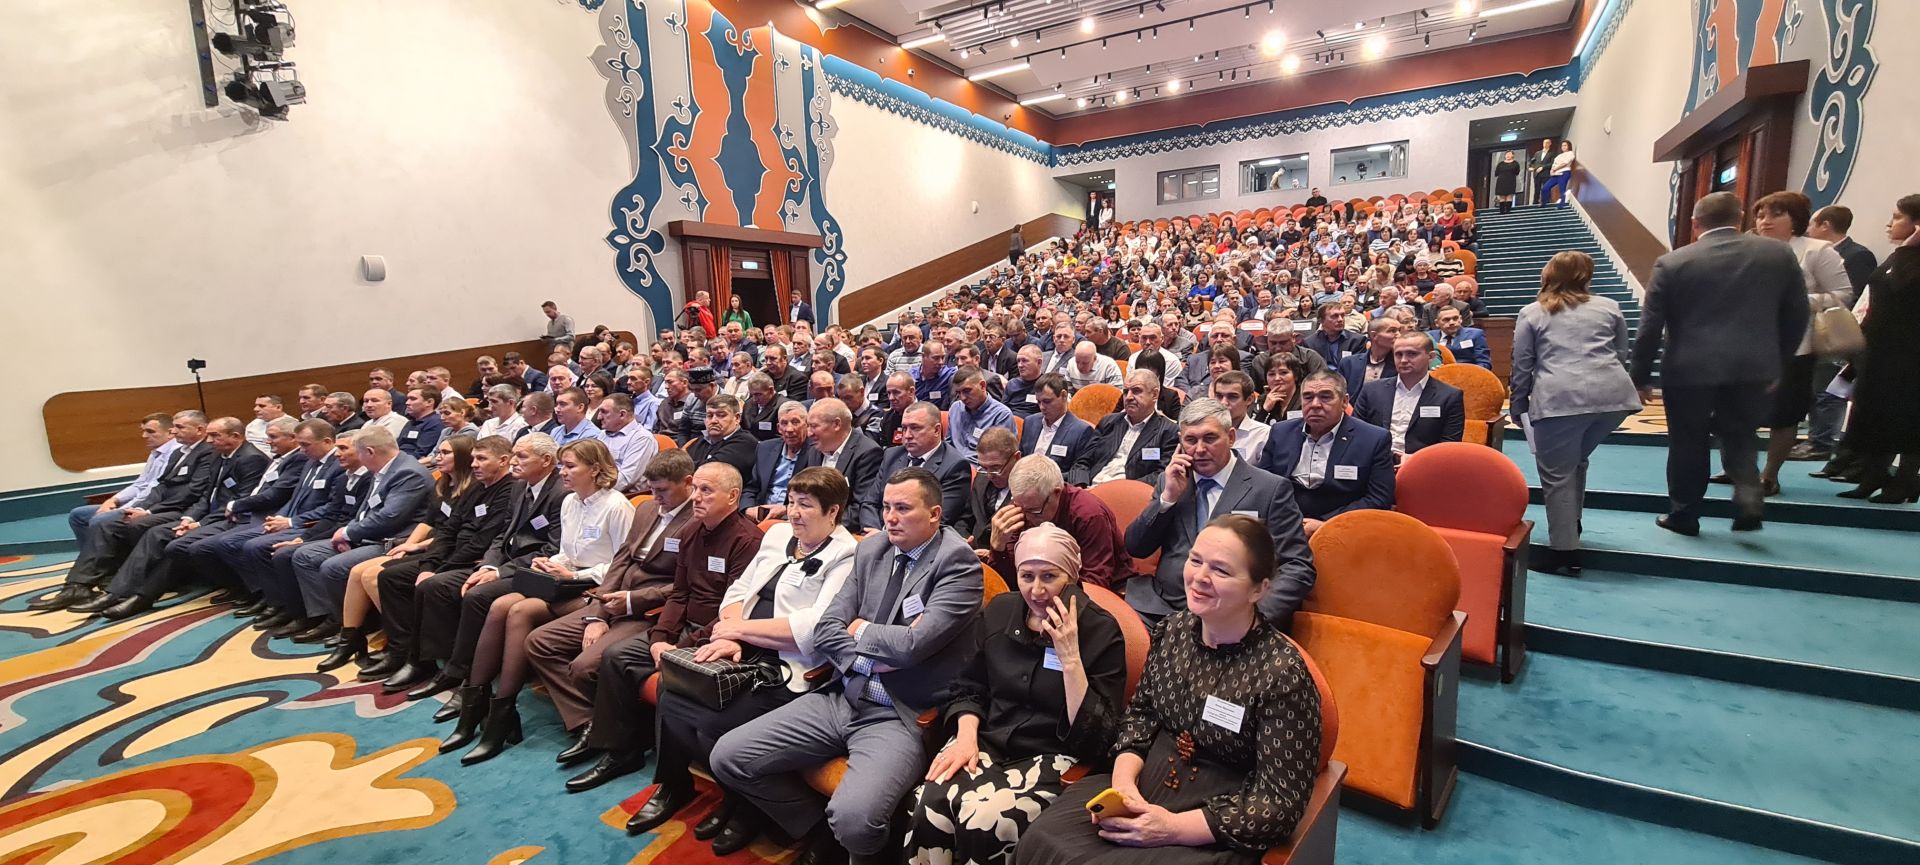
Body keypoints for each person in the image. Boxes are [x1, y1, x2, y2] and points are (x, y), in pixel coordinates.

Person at [709, 468, 984, 865]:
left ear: (935, 514)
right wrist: (866, 654)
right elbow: (825, 629)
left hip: (900, 712)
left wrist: (861, 629)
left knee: (855, 819)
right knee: (728, 757)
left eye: (903, 509)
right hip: (843, 692)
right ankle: (818, 831)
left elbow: (912, 647)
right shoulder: (872, 550)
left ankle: (853, 844)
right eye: (887, 506)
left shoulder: (957, 565)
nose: (890, 517)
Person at [1014, 515, 1322, 865]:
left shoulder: (1283, 676)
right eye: (1195, 561)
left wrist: (1172, 828)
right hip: (1146, 778)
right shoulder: (1172, 631)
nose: (1200, 578)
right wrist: (1123, 786)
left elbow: (1278, 803)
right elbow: (1140, 717)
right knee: (1039, 841)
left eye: (1220, 571)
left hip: (1217, 815)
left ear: (1259, 589)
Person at [625, 467, 859, 841]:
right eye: (791, 502)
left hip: (789, 666)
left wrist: (740, 631)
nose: (794, 513)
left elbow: (814, 628)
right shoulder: (779, 534)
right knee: (673, 688)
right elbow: (738, 591)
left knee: (714, 722)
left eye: (806, 506)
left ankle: (745, 806)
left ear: (832, 512)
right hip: (742, 648)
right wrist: (734, 634)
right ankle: (678, 785)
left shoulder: (847, 555)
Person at [904, 523, 1128, 865]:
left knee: (986, 821)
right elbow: (968, 686)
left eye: (1049, 577)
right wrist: (965, 738)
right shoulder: (1000, 611)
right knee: (928, 803)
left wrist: (1070, 659)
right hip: (988, 741)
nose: (1036, 590)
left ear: (1070, 575)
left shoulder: (1100, 629)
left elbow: (1099, 737)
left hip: (1053, 755)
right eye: (1026, 576)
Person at [566, 463, 762, 790]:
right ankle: (621, 751)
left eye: (706, 491)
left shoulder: (748, 541)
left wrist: (679, 647)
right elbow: (680, 593)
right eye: (695, 488)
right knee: (616, 656)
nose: (695, 497)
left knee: (669, 674)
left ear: (733, 497)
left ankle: (673, 783)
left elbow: (734, 610)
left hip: (717, 635)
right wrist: (660, 638)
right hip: (684, 627)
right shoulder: (691, 531)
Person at [445, 438, 637, 764]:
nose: (563, 472)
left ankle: (501, 712)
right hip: (564, 581)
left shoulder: (616, 506)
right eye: (562, 465)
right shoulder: (571, 502)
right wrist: (550, 564)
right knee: (499, 606)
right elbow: (566, 551)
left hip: (594, 589)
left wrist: (572, 574)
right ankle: (477, 703)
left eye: (571, 466)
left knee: (519, 610)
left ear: (595, 469)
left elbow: (623, 566)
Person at [1630, 192, 1809, 534]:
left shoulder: (1674, 262)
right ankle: (1748, 499)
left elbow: (1650, 325)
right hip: (1754, 366)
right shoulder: (1776, 254)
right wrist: (1780, 361)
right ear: (1740, 218)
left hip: (1688, 369)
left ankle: (1684, 515)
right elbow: (1797, 315)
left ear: (1696, 223)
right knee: (1741, 433)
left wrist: (1639, 377)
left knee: (1687, 441)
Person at [527, 449, 698, 771]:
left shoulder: (697, 519)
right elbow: (621, 561)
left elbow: (683, 585)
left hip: (649, 608)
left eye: (663, 490)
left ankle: (617, 736)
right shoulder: (646, 508)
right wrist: (598, 613)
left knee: (584, 666)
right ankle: (588, 723)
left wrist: (632, 600)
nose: (656, 496)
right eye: (653, 489)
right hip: (614, 599)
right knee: (540, 642)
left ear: (687, 483)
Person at [386, 433, 565, 696]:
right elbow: (503, 534)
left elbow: (552, 549)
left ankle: (461, 672)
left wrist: (499, 571)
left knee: (477, 596)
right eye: (514, 454)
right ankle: (423, 660)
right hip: (502, 561)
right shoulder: (520, 486)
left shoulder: (560, 494)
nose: (514, 461)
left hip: (534, 568)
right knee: (433, 585)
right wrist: (489, 566)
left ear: (547, 460)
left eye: (521, 456)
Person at [1121, 398, 1314, 628]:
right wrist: (1167, 499)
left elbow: (1297, 566)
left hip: (1231, 617)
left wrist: (1254, 617)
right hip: (1163, 609)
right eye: (1190, 440)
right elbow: (1137, 547)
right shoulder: (1171, 481)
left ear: (1231, 437)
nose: (1200, 449)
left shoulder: (1270, 489)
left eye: (1210, 438)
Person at [334, 435, 515, 675]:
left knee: (426, 583)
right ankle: (402, 649)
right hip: (449, 552)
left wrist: (435, 568)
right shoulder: (475, 487)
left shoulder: (508, 490)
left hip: (472, 559)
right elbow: (448, 530)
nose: (474, 465)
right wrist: (429, 563)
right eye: (473, 459)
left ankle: (423, 658)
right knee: (390, 577)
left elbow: (483, 541)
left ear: (503, 461)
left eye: (481, 459)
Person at [1511, 251, 1643, 574]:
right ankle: (1573, 524)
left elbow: (1522, 364)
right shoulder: (1609, 307)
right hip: (1613, 398)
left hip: (1560, 400)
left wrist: (1518, 404)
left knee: (1556, 475)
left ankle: (1564, 555)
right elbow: (1622, 352)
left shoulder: (1532, 312)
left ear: (1547, 275)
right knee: (1575, 463)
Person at [284, 425, 434, 642]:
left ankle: (357, 624)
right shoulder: (383, 468)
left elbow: (389, 517)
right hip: (368, 534)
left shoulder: (408, 473)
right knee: (304, 555)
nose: (341, 456)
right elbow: (364, 510)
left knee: (333, 567)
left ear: (370, 452)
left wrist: (348, 533)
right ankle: (333, 618)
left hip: (391, 539)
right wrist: (349, 533)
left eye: (359, 452)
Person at [1749, 192, 1854, 497]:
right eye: (1760, 215)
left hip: (1795, 345)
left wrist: (1796, 301)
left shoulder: (1817, 250)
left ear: (1795, 219)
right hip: (1747, 343)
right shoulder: (1751, 249)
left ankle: (1770, 474)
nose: (1764, 221)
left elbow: (1843, 293)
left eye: (1774, 215)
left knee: (1784, 412)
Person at [1835, 194, 1920, 502]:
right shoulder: (1897, 256)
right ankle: (1872, 476)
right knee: (1872, 412)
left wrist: (1911, 248)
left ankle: (1906, 482)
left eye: (1898, 216)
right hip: (1878, 350)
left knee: (1907, 417)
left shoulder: (1910, 259)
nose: (1889, 223)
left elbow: (1901, 288)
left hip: (1909, 354)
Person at [1256, 372, 1394, 534]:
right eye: (1308, 397)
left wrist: (1328, 524)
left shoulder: (1373, 439)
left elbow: (1379, 498)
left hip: (1342, 527)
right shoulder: (1281, 432)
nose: (1315, 404)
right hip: (1283, 522)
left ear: (1344, 401)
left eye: (1325, 397)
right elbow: (1264, 483)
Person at [1804, 205, 1881, 465]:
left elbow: (1854, 295)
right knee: (1815, 388)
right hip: (1814, 328)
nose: (1808, 229)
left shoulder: (1857, 255)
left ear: (1826, 225)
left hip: (1838, 330)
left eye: (1813, 223)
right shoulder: (1816, 253)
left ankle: (1822, 442)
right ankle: (1816, 437)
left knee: (1829, 389)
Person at [988, 454, 1131, 589]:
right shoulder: (1024, 507)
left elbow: (1095, 583)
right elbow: (1015, 578)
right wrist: (998, 549)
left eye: (1034, 510)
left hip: (1106, 593)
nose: (1027, 517)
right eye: (1019, 507)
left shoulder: (1089, 515)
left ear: (1057, 493)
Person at [67, 413, 180, 564]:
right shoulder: (155, 453)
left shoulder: (176, 453)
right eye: (144, 431)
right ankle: (89, 562)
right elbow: (140, 484)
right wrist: (113, 500)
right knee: (78, 515)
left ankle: (100, 566)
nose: (144, 436)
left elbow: (155, 489)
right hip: (136, 502)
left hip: (151, 506)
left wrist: (122, 509)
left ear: (170, 432)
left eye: (151, 432)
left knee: (99, 520)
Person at [1352, 333, 1466, 461]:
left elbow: (1448, 446)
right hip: (1375, 463)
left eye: (1412, 354)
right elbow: (1355, 432)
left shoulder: (1449, 396)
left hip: (1422, 465)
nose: (1404, 360)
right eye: (1398, 354)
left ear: (1431, 356)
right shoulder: (1372, 390)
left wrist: (1415, 459)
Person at [872, 401, 975, 536]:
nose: (907, 435)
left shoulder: (955, 466)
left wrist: (883, 534)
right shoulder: (891, 455)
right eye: (904, 428)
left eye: (915, 428)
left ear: (937, 430)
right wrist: (873, 532)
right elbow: (870, 502)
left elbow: (936, 520)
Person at [1070, 370, 1180, 487]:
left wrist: (1122, 491)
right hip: (1090, 488)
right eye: (1126, 391)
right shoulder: (1109, 422)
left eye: (1136, 391)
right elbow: (1082, 461)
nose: (1128, 397)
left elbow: (1162, 475)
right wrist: (1080, 486)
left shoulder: (1169, 431)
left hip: (1129, 495)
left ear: (1154, 394)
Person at [798, 398, 885, 531]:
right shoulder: (814, 449)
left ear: (837, 424)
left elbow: (861, 507)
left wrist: (822, 524)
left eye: (814, 426)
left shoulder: (868, 452)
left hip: (842, 530)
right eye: (808, 426)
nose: (809, 433)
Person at [743, 401, 811, 520]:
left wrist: (786, 509)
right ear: (779, 428)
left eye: (795, 422)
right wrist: (748, 508)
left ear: (807, 425)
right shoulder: (764, 448)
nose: (789, 429)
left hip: (793, 516)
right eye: (784, 423)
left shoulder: (816, 452)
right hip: (761, 514)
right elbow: (752, 487)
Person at [1020, 373, 1095, 472]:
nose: (1041, 407)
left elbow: (1077, 473)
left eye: (1047, 401)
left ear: (1063, 395)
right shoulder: (1030, 422)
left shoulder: (1081, 431)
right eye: (1039, 402)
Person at [947, 366, 1016, 465]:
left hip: (981, 470)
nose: (962, 398)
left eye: (967, 391)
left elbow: (1000, 458)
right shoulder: (955, 408)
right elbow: (948, 444)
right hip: (952, 467)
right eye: (958, 393)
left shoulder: (1001, 415)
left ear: (982, 386)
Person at [686, 393, 759, 476]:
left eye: (721, 415)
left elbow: (711, 470)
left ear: (737, 418)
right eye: (709, 415)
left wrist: (680, 466)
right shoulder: (698, 441)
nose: (714, 421)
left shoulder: (746, 442)